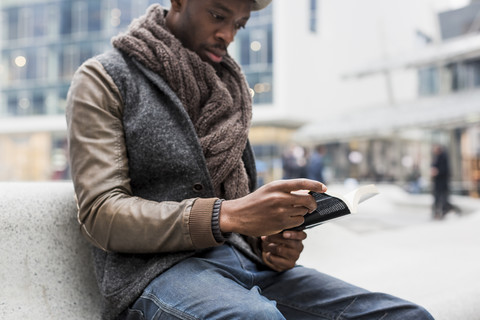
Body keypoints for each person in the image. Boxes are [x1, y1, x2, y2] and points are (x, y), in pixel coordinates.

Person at [66, 1, 434, 319]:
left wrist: (271, 243)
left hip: (245, 261)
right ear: (178, 0)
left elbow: (239, 197)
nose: (228, 35)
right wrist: (227, 215)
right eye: (217, 15)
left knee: (409, 315)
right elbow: (101, 214)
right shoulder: (103, 79)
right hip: (154, 274)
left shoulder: (229, 89)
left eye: (238, 25)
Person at [431, 144, 460, 219]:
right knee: (438, 198)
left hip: (443, 183)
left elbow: (446, 170)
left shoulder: (444, 157)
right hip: (438, 183)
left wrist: (437, 172)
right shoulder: (436, 157)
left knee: (443, 198)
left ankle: (445, 211)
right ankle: (438, 212)